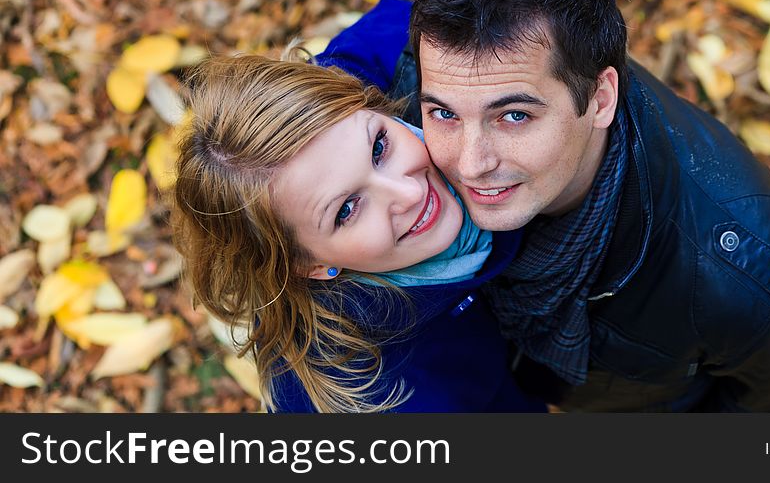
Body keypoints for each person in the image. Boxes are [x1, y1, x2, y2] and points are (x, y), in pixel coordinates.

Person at [313, 0, 770, 411]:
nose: (470, 165)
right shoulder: (422, 69)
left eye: (514, 117)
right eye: (445, 114)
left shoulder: (759, 279)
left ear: (599, 99)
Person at [171, 53, 545, 413]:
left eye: (379, 148)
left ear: (370, 103)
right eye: (346, 210)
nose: (410, 193)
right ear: (311, 265)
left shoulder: (380, 72)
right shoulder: (391, 398)